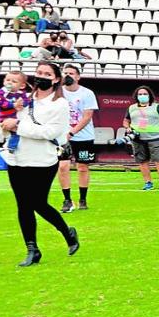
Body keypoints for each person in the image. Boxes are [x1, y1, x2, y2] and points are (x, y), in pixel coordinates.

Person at [0, 60, 80, 266]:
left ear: (56, 80)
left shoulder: (59, 104)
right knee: (23, 205)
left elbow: (50, 132)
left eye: (47, 74)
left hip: (42, 159)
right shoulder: (23, 98)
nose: (41, 76)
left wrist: (18, 127)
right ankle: (32, 249)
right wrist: (6, 125)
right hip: (17, 157)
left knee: (37, 202)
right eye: (38, 72)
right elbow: (7, 119)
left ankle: (67, 232)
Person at [57, 65, 97, 213]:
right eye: (65, 73)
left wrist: (72, 132)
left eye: (71, 73)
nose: (68, 75)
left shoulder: (87, 93)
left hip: (83, 136)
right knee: (63, 167)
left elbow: (87, 117)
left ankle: (83, 199)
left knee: (82, 167)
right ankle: (67, 199)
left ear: (78, 76)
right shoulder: (58, 93)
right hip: (62, 137)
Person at [123, 85, 159, 191]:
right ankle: (148, 183)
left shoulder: (157, 107)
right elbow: (126, 121)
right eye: (140, 94)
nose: (142, 96)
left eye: (145, 94)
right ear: (136, 96)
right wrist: (127, 128)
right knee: (142, 161)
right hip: (138, 139)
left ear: (149, 95)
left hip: (155, 138)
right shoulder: (131, 108)